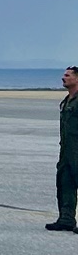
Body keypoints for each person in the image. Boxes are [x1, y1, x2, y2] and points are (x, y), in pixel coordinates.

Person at [50, 66, 78, 233]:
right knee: (65, 183)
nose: (63, 78)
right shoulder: (66, 100)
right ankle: (66, 219)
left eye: (67, 75)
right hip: (67, 151)